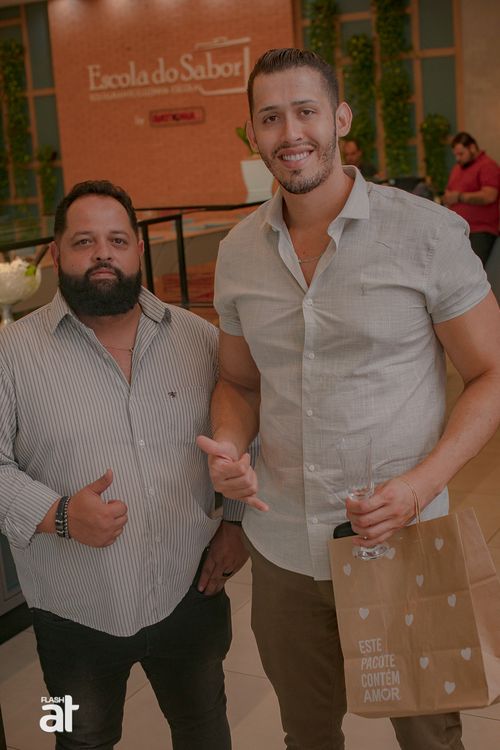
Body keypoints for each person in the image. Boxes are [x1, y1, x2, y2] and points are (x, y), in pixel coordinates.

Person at [197, 49, 500, 750]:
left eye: (305, 111)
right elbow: (239, 381)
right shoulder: (238, 252)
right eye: (270, 118)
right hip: (282, 549)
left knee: (429, 737)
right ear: (253, 132)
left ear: (339, 118)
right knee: (307, 735)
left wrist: (421, 486)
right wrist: (230, 446)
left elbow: (490, 374)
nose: (289, 133)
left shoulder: (425, 233)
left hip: (403, 543)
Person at [0, 180, 248, 750]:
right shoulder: (11, 353)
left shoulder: (198, 338)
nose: (102, 254)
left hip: (191, 589)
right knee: (71, 735)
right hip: (67, 612)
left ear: (138, 248)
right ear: (56, 254)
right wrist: (59, 514)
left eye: (116, 240)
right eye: (83, 241)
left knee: (205, 727)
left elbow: (240, 435)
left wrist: (236, 524)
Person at [443, 131, 499, 266]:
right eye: (455, 155)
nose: (457, 158)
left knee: (470, 269)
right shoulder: (457, 168)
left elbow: (490, 196)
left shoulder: (487, 166)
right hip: (457, 228)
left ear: (472, 148)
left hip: (480, 229)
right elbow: (449, 192)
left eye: (461, 154)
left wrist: (459, 197)